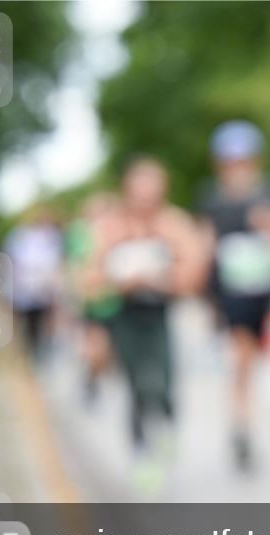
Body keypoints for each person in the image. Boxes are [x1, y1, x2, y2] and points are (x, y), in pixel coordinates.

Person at [85, 158, 205, 488]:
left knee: (164, 380)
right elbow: (89, 276)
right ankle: (141, 452)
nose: (145, 197)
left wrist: (162, 281)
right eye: (139, 189)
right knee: (137, 384)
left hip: (160, 312)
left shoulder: (173, 223)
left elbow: (193, 270)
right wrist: (121, 282)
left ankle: (166, 424)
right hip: (123, 315)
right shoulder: (108, 227)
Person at [197, 120, 270, 472]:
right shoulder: (213, 199)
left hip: (265, 294)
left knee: (253, 360)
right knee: (243, 359)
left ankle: (243, 421)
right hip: (232, 294)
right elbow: (205, 247)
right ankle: (241, 424)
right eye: (231, 161)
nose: (238, 168)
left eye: (244, 160)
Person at [64, 192, 119, 406]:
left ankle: (92, 378)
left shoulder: (114, 229)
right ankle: (90, 380)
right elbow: (77, 267)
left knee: (106, 351)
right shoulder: (80, 233)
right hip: (92, 301)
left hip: (113, 300)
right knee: (97, 348)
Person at [3, 209, 63, 360]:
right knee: (25, 324)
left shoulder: (47, 238)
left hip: (40, 292)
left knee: (39, 323)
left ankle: (38, 351)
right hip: (22, 292)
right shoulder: (17, 237)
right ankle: (25, 353)